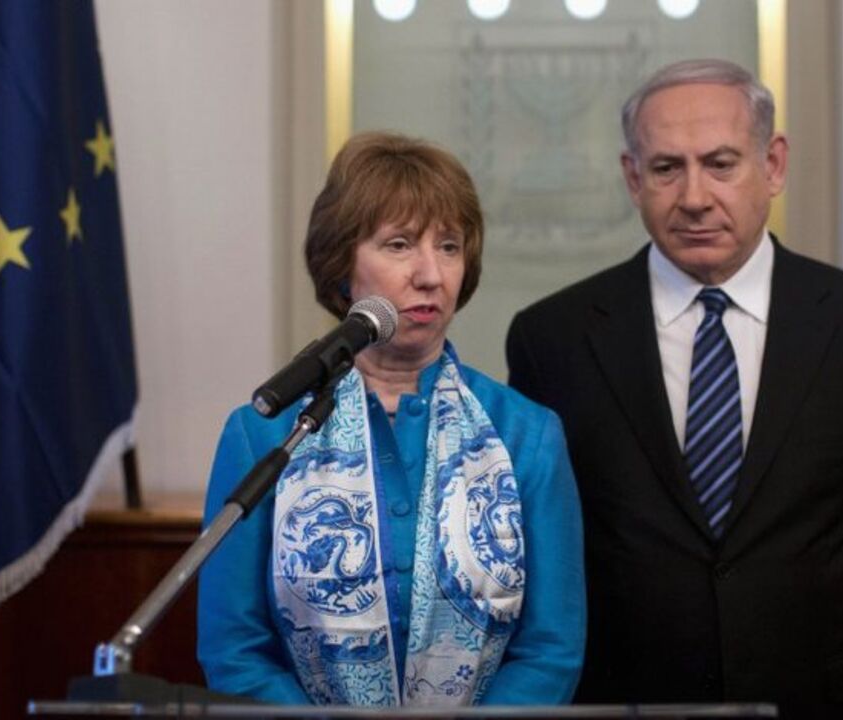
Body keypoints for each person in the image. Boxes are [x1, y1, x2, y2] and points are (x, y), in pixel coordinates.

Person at [505, 59, 843, 717]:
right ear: (632, 177)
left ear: (775, 164)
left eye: (722, 163)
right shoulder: (552, 340)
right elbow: (548, 540)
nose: (695, 196)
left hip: (810, 696)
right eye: (667, 168)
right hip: (624, 699)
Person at [199, 131, 585, 707]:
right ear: (341, 265)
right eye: (400, 244)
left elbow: (551, 651)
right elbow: (235, 648)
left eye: (450, 247)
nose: (431, 274)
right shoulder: (265, 434)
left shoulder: (526, 434)